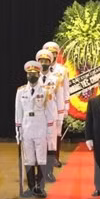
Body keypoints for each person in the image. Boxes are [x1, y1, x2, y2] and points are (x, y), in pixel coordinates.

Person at [15, 61, 51, 198]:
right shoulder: (21, 91)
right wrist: (18, 131)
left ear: (38, 75)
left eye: (34, 74)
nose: (32, 76)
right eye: (29, 74)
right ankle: (30, 187)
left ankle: (40, 187)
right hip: (26, 127)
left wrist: (49, 131)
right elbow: (18, 112)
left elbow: (49, 112)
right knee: (28, 159)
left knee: (41, 158)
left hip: (40, 126)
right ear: (26, 75)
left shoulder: (45, 91)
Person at [36, 49, 63, 183]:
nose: (44, 63)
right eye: (41, 61)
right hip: (37, 117)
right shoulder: (34, 78)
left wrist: (60, 117)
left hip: (52, 117)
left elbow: (60, 99)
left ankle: (49, 172)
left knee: (51, 145)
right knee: (39, 145)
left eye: (46, 61)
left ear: (50, 62)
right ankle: (40, 173)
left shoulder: (56, 79)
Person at [44, 41, 70, 168]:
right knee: (44, 133)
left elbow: (66, 89)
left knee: (57, 132)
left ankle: (55, 157)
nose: (52, 55)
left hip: (58, 105)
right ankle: (44, 158)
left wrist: (66, 106)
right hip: (44, 106)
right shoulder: (41, 69)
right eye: (50, 53)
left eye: (54, 53)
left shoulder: (62, 70)